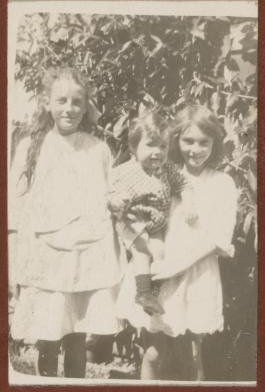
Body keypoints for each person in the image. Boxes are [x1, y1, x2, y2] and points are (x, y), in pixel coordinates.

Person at [8, 67, 122, 378]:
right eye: (61, 100)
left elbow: (107, 197)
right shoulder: (31, 147)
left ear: (86, 106)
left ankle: (75, 382)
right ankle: (45, 381)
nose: (69, 108)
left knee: (76, 331)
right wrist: (18, 257)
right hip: (48, 253)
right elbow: (18, 208)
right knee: (48, 332)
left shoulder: (97, 149)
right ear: (47, 102)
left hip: (86, 254)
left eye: (76, 102)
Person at [116, 104, 238, 380]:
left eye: (203, 142)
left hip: (195, 275)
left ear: (214, 144)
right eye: (187, 141)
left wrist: (177, 266)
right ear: (175, 141)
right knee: (153, 353)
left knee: (191, 356)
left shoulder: (223, 183)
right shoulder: (162, 176)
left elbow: (218, 238)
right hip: (160, 274)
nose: (195, 149)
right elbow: (139, 219)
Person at [109, 109, 184, 316]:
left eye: (163, 146)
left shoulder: (167, 168)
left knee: (160, 252)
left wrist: (191, 201)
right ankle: (143, 293)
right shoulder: (124, 170)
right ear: (134, 147)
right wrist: (116, 201)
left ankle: (152, 295)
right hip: (132, 220)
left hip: (156, 223)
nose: (157, 152)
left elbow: (183, 184)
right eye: (150, 145)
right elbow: (109, 191)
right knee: (142, 250)